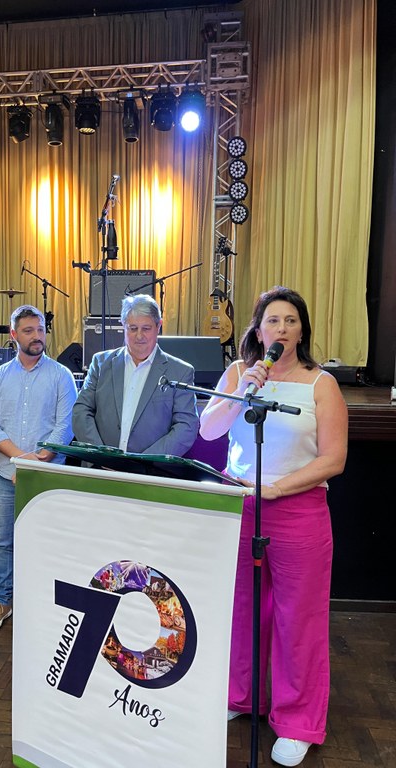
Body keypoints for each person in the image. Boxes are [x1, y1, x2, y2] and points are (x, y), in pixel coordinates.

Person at [199, 286, 348, 767]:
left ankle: (297, 721)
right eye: (272, 321)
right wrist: (242, 390)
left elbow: (334, 459)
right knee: (241, 609)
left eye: (290, 321)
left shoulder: (320, 384)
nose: (281, 328)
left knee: (296, 619)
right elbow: (209, 430)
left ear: (301, 331)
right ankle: (241, 696)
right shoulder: (239, 373)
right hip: (241, 505)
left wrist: (278, 489)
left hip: (299, 510)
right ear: (258, 330)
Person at [0, 305, 77, 631]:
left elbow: (65, 427)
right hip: (4, 476)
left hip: (48, 477)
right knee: (3, 543)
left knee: (48, 542)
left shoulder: (61, 376)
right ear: (13, 335)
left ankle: (44, 605)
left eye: (40, 330)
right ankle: (1, 600)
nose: (37, 336)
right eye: (28, 331)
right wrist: (22, 461)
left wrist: (37, 462)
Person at [72, 294, 199, 455]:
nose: (139, 336)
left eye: (146, 329)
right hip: (99, 465)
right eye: (133, 328)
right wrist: (101, 455)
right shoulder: (100, 363)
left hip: (150, 469)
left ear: (158, 326)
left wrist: (143, 462)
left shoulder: (180, 372)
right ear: (123, 325)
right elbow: (81, 411)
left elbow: (186, 427)